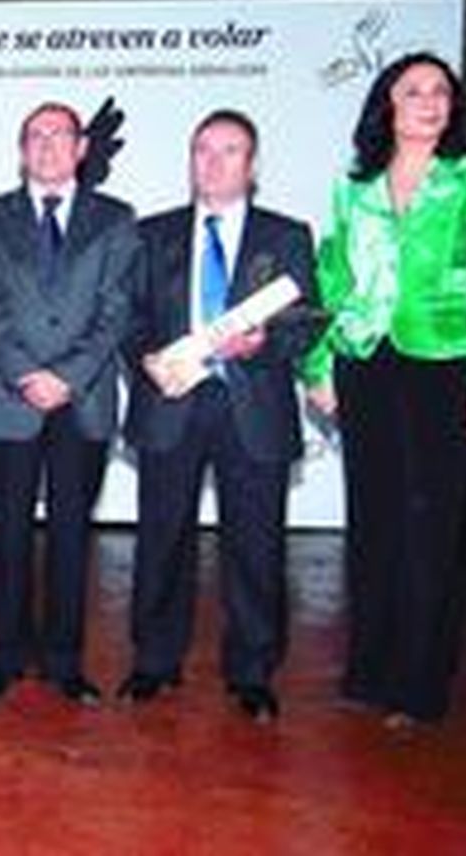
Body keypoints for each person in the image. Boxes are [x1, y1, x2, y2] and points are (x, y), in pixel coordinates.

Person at [303, 53, 466, 728]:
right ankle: (369, 672)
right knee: (374, 522)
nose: (430, 102)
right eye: (413, 91)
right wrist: (318, 366)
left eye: (441, 92)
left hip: (448, 364)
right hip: (366, 362)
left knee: (431, 525)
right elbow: (332, 281)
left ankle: (420, 684)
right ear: (387, 105)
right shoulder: (354, 185)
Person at [119, 110, 318, 723]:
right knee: (160, 540)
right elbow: (128, 317)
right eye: (203, 150)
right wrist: (143, 358)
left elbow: (304, 323)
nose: (213, 162)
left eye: (229, 152)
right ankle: (155, 661)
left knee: (255, 546)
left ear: (252, 165)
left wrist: (265, 345)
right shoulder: (152, 234)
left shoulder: (285, 236)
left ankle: (253, 672)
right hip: (172, 405)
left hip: (250, 407)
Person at [0, 102, 138, 708]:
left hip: (83, 399)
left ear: (82, 148)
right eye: (34, 136)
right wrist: (25, 374)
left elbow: (117, 307)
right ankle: (6, 654)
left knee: (72, 534)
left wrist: (65, 377)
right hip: (6, 399)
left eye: (59, 135)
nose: (47, 146)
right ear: (21, 150)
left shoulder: (117, 220)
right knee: (6, 534)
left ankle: (66, 660)